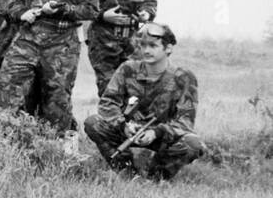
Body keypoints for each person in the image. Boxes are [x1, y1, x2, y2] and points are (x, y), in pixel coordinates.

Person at [0, 0, 100, 131]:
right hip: (28, 41)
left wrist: (61, 10)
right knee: (7, 87)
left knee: (56, 101)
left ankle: (57, 149)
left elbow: (92, 10)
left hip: (61, 46)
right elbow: (13, 2)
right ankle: (5, 141)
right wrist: (22, 13)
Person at [83, 22, 203, 180]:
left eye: (153, 46)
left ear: (168, 48)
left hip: (161, 136)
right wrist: (123, 125)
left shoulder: (184, 78)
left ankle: (156, 177)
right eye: (143, 45)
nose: (146, 51)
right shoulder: (128, 69)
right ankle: (127, 173)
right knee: (93, 123)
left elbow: (185, 121)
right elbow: (108, 104)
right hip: (129, 131)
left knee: (193, 144)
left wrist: (156, 132)